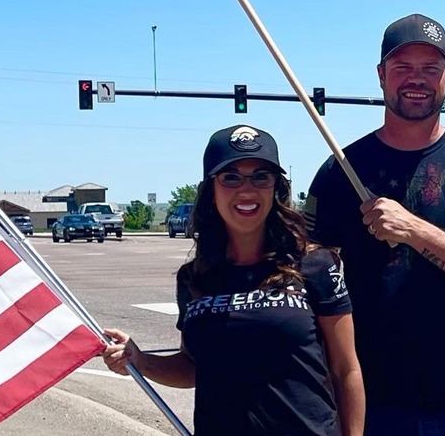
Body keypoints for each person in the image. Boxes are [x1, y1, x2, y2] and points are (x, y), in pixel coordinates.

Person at [302, 13, 445, 435]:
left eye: (430, 68)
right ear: (381, 75)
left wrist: (415, 229)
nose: (416, 79)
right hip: (374, 405)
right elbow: (305, 281)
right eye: (403, 67)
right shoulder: (341, 171)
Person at [102, 125, 365, 435]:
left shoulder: (314, 264)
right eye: (231, 177)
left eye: (260, 177)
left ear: (275, 188)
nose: (246, 189)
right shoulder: (195, 278)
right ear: (211, 190)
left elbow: (346, 369)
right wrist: (141, 361)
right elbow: (193, 367)